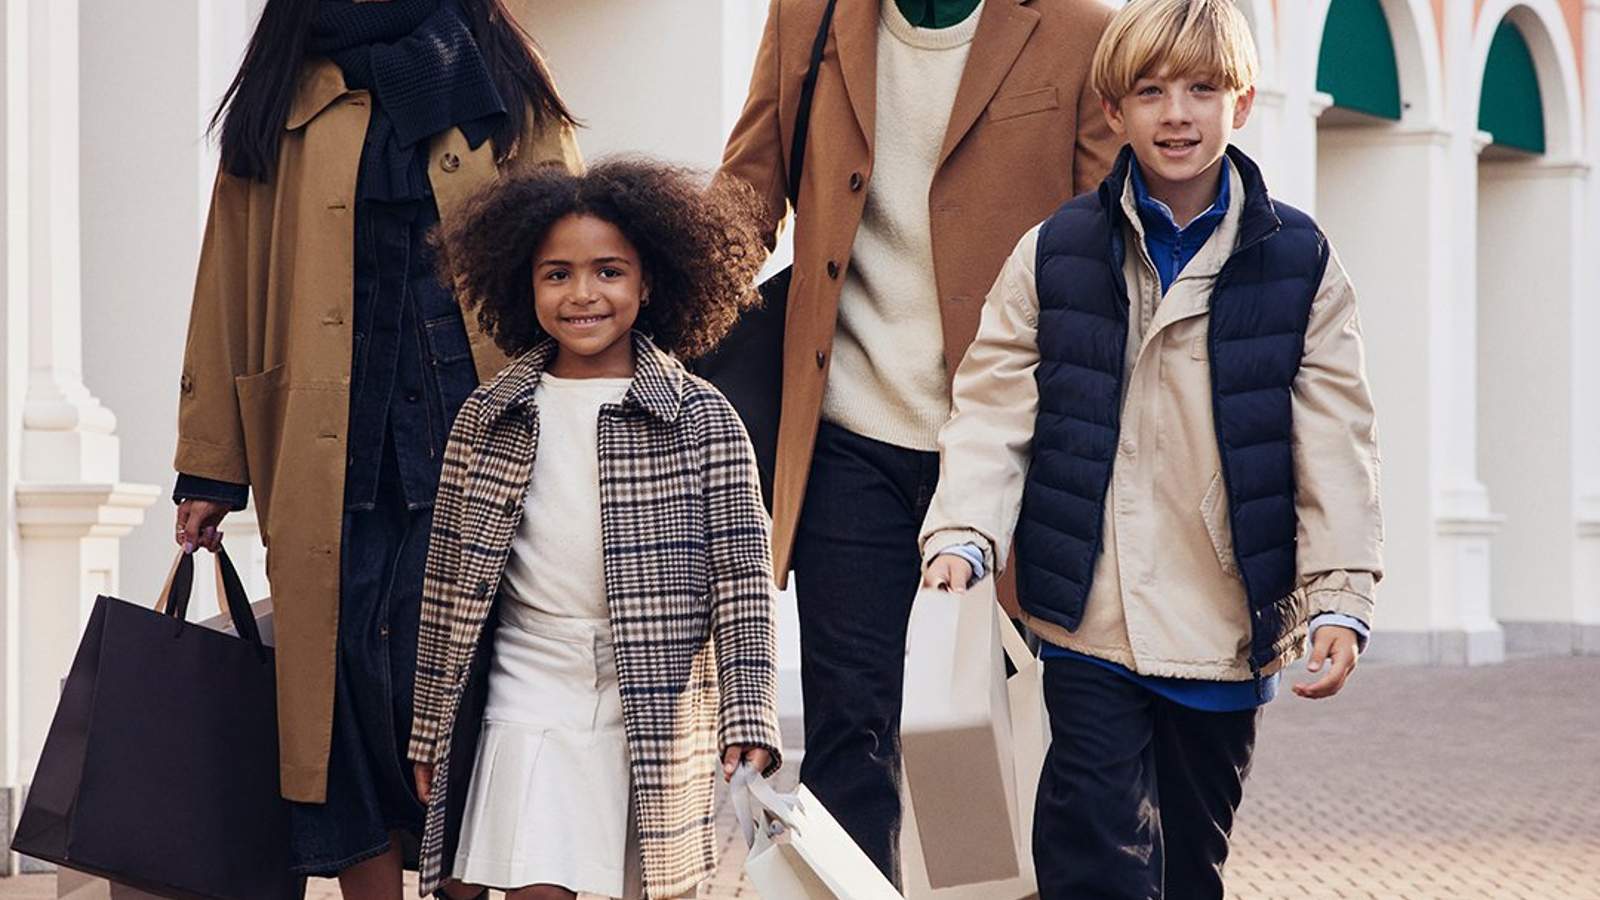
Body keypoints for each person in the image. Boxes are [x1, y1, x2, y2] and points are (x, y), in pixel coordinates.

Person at [919, 1, 1384, 896]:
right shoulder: (1056, 253)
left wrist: (1338, 594)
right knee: (1092, 854)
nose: (1177, 113)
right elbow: (992, 406)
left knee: (1187, 870)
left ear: (1240, 104)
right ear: (1114, 112)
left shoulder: (1299, 261)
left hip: (1223, 617)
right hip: (1089, 612)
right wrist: (964, 533)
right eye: (1152, 91)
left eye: (1203, 89)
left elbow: (1335, 435)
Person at [169, 1, 580, 895]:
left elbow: (575, 246)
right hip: (329, 451)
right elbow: (228, 277)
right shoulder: (279, 97)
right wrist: (210, 464)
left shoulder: (497, 80)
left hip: (477, 433)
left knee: (471, 679)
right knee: (345, 686)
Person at [715, 0, 1121, 882]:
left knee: (999, 732)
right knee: (848, 732)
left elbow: (1106, 249)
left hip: (1009, 446)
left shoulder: (1081, 33)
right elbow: (746, 195)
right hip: (846, 434)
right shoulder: (811, 18)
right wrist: (648, 315)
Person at [406, 159, 781, 900]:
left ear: (649, 283)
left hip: (649, 702)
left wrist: (749, 710)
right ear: (525, 285)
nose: (583, 294)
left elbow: (743, 583)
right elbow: (446, 584)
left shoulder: (704, 420)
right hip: (525, 690)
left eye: (609, 271)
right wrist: (429, 729)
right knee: (532, 884)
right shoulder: (488, 417)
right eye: (557, 274)